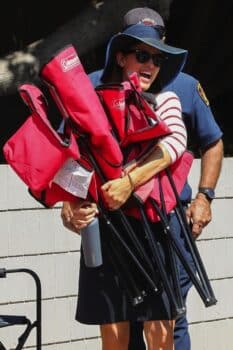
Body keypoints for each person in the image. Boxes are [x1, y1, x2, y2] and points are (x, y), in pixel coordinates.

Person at [61, 7, 224, 350]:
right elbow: (70, 154)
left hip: (165, 221)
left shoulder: (182, 86)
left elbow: (211, 142)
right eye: (140, 52)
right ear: (120, 53)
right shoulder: (89, 86)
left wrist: (205, 196)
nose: (150, 61)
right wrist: (69, 203)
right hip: (109, 224)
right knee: (117, 327)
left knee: (167, 325)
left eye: (157, 52)